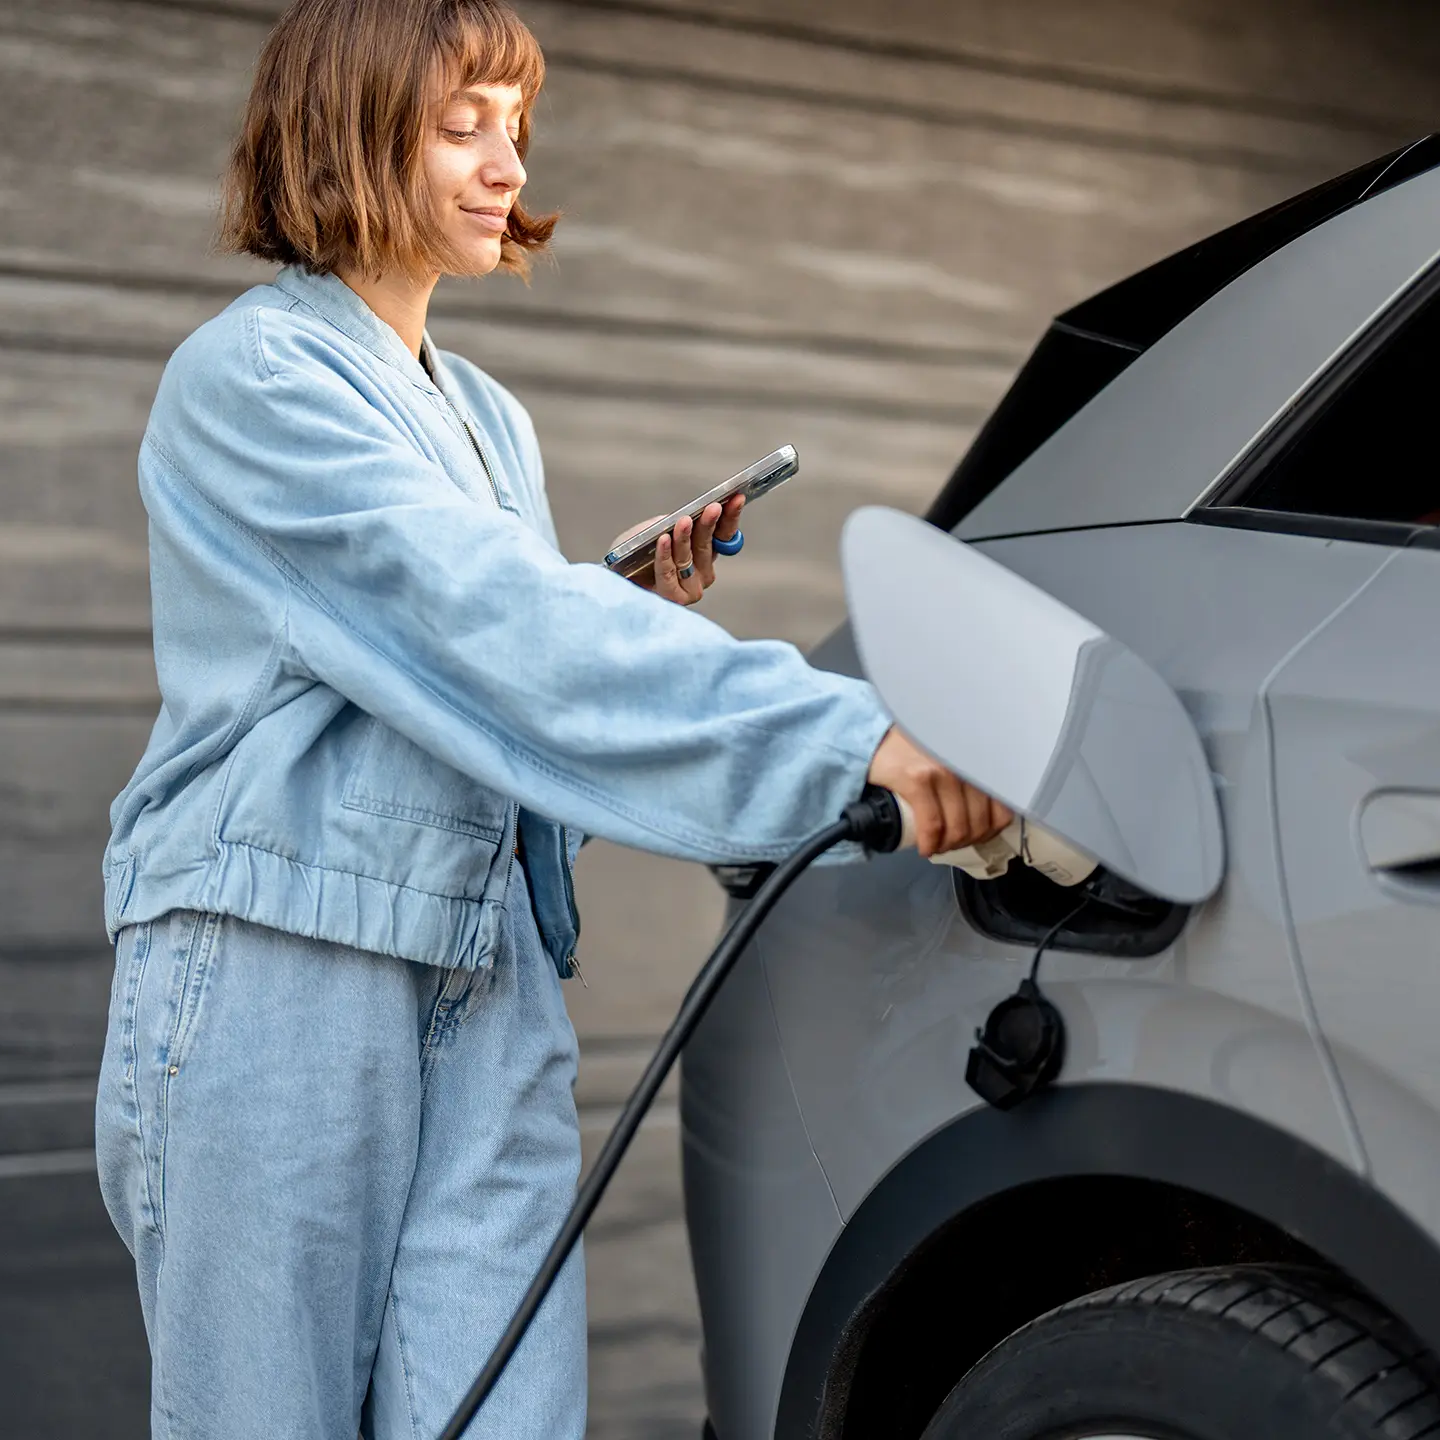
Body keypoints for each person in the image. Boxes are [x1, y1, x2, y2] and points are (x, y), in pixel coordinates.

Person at [93, 1, 1011, 1436]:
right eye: (462, 125)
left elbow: (486, 649)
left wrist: (616, 593)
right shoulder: (256, 380)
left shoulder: (489, 417)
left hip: (491, 982)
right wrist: (849, 744)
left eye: (516, 126)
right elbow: (492, 634)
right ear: (344, 129)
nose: (507, 161)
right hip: (286, 981)